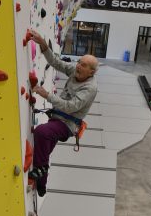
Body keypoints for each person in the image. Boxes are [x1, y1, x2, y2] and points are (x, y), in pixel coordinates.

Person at [28, 29, 99, 197]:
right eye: (79, 62)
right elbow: (56, 63)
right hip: (56, 118)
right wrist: (43, 44)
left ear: (92, 72)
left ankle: (40, 170)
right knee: (43, 149)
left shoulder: (90, 88)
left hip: (67, 124)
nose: (78, 67)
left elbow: (69, 107)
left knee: (42, 132)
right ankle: (41, 185)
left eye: (83, 65)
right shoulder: (76, 71)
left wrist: (47, 95)